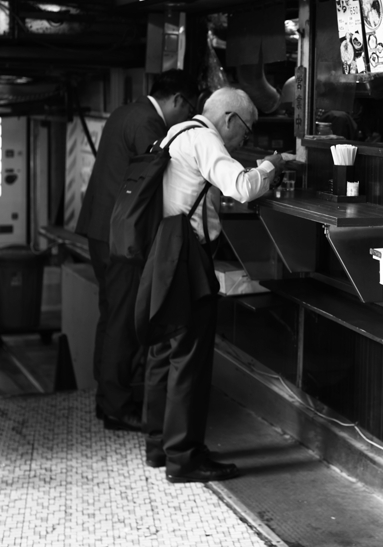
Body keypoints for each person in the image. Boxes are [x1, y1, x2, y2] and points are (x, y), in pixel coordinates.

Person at [140, 87, 284, 482]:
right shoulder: (206, 139)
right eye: (247, 132)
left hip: (162, 247)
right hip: (185, 254)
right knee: (189, 358)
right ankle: (184, 459)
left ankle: (158, 447)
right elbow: (241, 186)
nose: (244, 141)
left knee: (163, 351)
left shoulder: (176, 131)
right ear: (229, 119)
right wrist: (271, 165)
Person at [75, 70, 200, 431]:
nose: (188, 117)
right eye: (190, 109)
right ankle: (116, 406)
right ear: (178, 100)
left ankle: (106, 399)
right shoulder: (150, 125)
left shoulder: (122, 113)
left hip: (99, 230)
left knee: (110, 313)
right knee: (122, 321)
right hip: (122, 237)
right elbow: (156, 180)